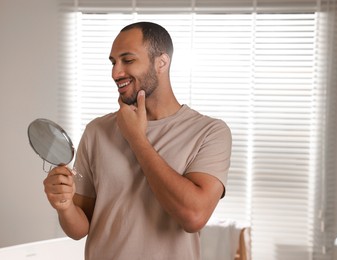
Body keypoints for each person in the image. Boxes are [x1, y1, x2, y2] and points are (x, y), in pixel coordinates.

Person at [43, 21, 232, 260]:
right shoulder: (97, 130)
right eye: (113, 62)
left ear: (161, 63)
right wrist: (64, 206)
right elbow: (80, 229)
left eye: (128, 60)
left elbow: (193, 216)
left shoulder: (209, 132)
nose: (115, 73)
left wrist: (136, 138)